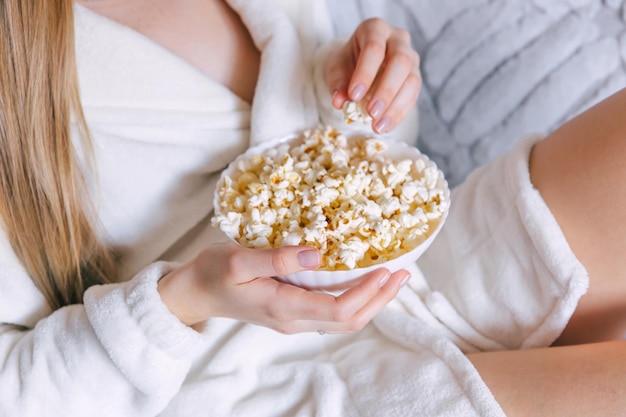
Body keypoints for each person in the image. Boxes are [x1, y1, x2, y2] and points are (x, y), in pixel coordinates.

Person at [0, 0, 624, 416]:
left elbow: (341, 154)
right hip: (253, 381)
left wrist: (362, 85)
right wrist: (183, 301)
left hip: (402, 265)